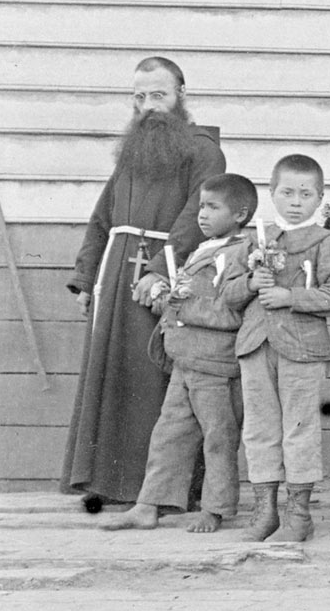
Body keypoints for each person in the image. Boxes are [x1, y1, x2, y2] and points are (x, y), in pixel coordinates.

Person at [64, 56, 227, 508]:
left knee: (155, 380)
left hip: (166, 276)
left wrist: (158, 268)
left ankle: (159, 490)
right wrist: (86, 278)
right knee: (113, 376)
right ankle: (110, 482)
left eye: (159, 95)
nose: (149, 105)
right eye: (140, 97)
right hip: (116, 276)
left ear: (181, 95)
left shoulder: (203, 151)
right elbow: (103, 216)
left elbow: (197, 217)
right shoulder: (133, 149)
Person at [99, 173, 254, 534]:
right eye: (201, 206)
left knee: (218, 438)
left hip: (215, 366)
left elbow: (232, 312)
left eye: (213, 207)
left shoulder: (241, 254)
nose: (202, 214)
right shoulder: (204, 248)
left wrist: (180, 306)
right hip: (185, 361)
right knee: (168, 434)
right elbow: (189, 301)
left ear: (240, 215)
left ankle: (215, 509)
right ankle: (148, 505)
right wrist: (166, 301)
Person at [222, 154, 330, 544]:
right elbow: (228, 294)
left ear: (320, 198)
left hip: (302, 349)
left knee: (299, 429)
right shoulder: (254, 240)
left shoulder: (326, 242)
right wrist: (250, 282)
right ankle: (266, 512)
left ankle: (299, 515)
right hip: (256, 344)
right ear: (272, 193)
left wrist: (290, 296)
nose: (296, 202)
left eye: (306, 194)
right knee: (259, 429)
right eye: (287, 193)